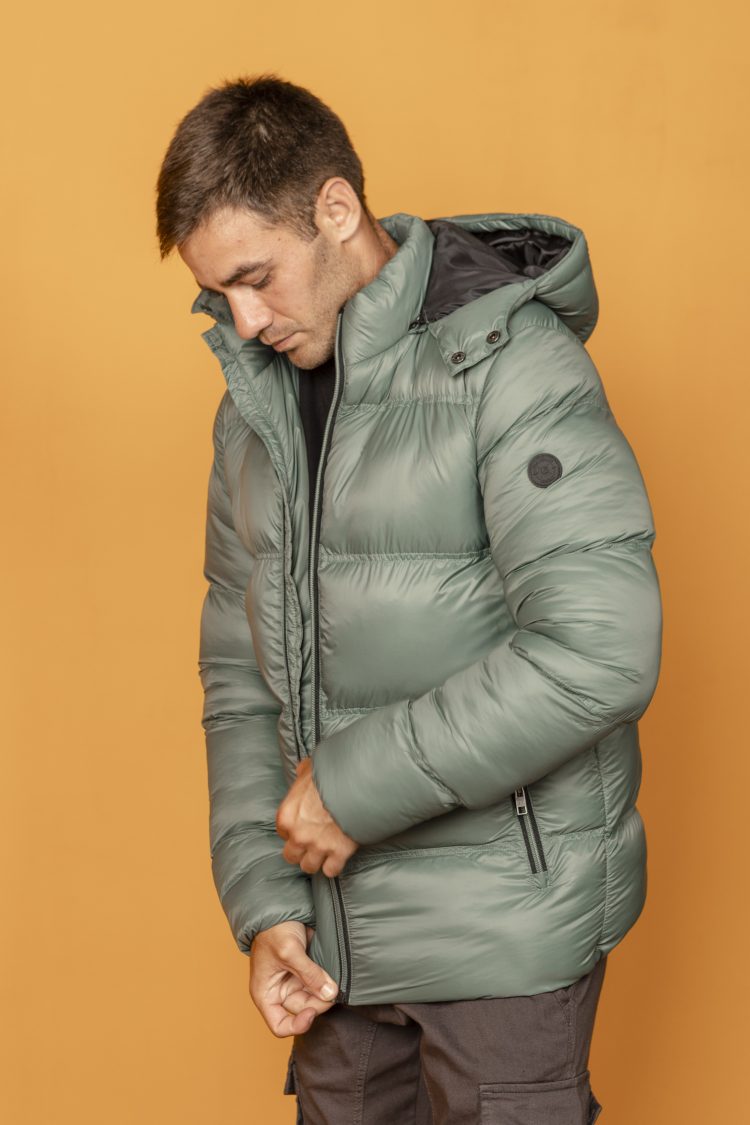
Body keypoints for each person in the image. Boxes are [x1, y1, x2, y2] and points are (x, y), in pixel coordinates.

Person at [155, 73, 663, 1125]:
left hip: (505, 935)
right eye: (219, 296)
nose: (244, 322)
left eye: (256, 278)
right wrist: (265, 903)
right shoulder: (251, 413)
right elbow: (239, 681)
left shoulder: (514, 365)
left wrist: (350, 789)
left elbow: (600, 648)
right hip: (334, 954)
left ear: (336, 210)